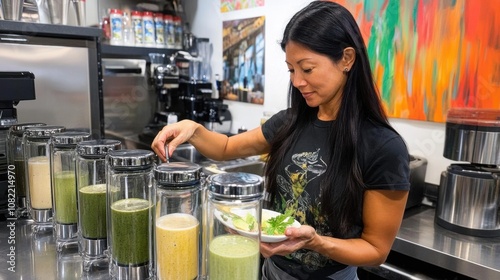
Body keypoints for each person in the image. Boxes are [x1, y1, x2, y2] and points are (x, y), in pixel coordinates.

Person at [151, 1, 410, 279]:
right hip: (271, 272)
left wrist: (317, 242)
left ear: (347, 59)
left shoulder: (383, 147)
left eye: (307, 69)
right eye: (291, 70)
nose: (297, 81)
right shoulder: (290, 122)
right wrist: (193, 128)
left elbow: (375, 249)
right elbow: (226, 148)